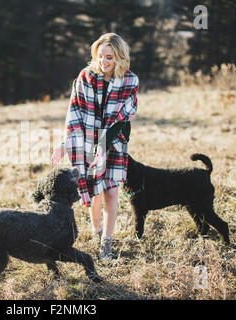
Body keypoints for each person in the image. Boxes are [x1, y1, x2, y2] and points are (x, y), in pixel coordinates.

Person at [51, 33, 139, 260]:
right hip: (87, 142)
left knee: (110, 191)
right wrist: (65, 144)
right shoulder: (85, 77)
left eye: (109, 57)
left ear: (120, 57)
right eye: (100, 56)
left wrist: (104, 145)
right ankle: (96, 230)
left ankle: (107, 242)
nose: (104, 61)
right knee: (94, 192)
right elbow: (75, 112)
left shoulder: (130, 81)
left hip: (114, 143)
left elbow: (123, 117)